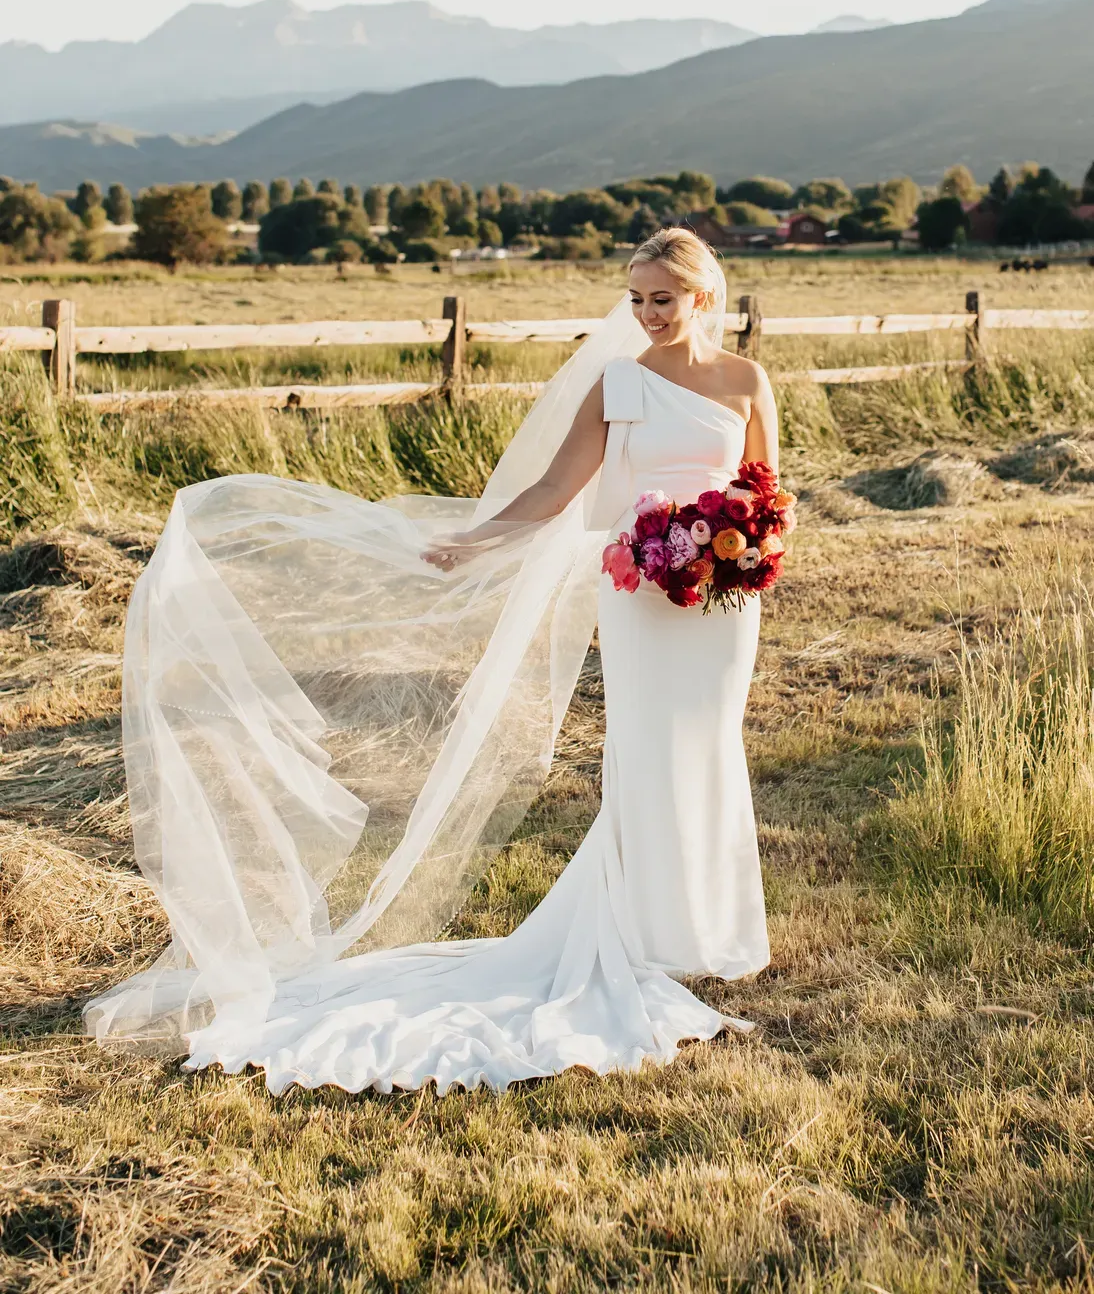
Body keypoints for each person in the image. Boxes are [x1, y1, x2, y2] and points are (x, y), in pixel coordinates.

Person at [86, 229, 778, 1094]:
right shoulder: (620, 382)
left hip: (722, 604)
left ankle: (710, 928)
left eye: (661, 299)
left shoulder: (747, 382)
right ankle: (645, 930)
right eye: (636, 298)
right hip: (638, 593)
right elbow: (555, 492)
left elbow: (765, 491)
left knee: (711, 744)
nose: (644, 315)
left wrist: (748, 549)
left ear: (703, 299)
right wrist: (475, 543)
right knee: (644, 753)